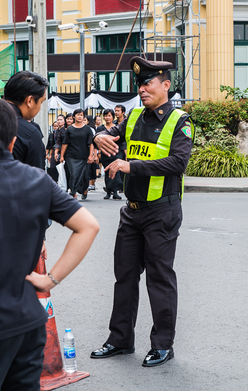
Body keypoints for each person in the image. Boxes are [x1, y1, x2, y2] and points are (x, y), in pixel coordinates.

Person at [91, 56, 194, 367]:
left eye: (148, 82)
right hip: (131, 212)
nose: (142, 88)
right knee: (124, 277)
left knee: (159, 280)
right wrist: (100, 137)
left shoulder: (180, 121)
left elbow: (178, 163)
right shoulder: (134, 116)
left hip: (162, 211)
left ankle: (163, 344)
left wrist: (129, 165)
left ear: (165, 85)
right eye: (139, 83)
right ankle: (120, 339)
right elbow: (112, 137)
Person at [0, 99, 99, 391]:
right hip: (26, 318)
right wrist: (49, 279)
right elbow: (88, 226)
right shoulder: (37, 180)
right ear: (13, 141)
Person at [4, 70, 48, 169]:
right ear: (30, 101)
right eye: (41, 102)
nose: (40, 107)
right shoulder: (30, 132)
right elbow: (36, 179)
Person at [60, 108, 94, 200]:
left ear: (84, 117)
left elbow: (91, 143)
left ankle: (82, 190)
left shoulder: (88, 129)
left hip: (84, 156)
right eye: (78, 114)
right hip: (71, 156)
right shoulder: (69, 129)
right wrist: (62, 156)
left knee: (84, 176)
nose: (80, 116)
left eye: (81, 115)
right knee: (73, 175)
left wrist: (91, 155)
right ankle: (73, 193)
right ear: (74, 116)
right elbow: (65, 143)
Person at [96, 109, 122, 200]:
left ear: (113, 117)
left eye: (109, 116)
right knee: (107, 172)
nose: (107, 118)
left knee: (116, 171)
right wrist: (98, 153)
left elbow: (122, 140)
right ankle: (108, 191)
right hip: (105, 153)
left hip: (116, 152)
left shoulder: (117, 127)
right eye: (106, 116)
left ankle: (115, 192)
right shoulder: (100, 128)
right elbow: (97, 141)